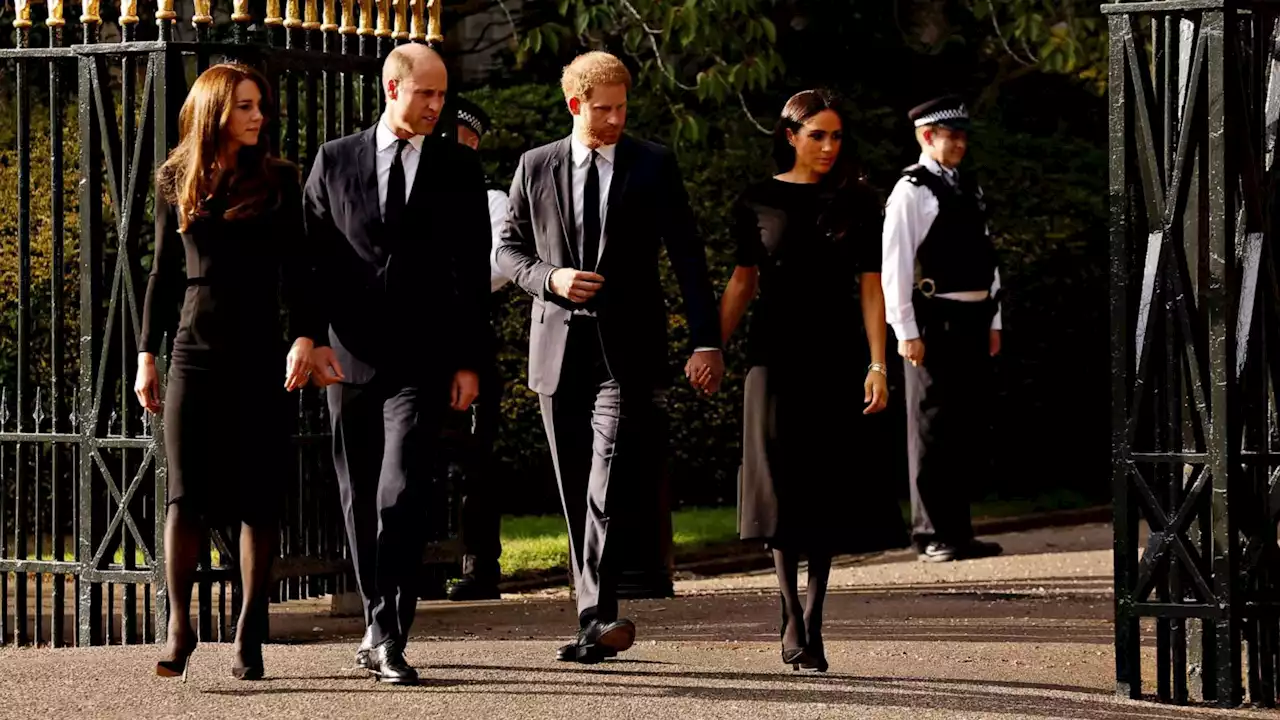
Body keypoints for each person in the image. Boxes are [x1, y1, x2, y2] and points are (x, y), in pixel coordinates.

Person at [495, 50, 723, 664]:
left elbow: (688, 255)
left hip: (626, 353)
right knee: (574, 487)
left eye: (623, 107)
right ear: (576, 106)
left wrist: (707, 339)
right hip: (556, 350)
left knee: (608, 478)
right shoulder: (535, 165)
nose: (617, 118)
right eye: (605, 109)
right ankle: (591, 622)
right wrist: (552, 278)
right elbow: (509, 251)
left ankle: (599, 613)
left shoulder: (653, 164)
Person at [302, 44, 493, 685]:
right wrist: (307, 338)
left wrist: (470, 361)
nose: (438, 106)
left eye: (443, 95)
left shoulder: (459, 169)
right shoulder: (334, 159)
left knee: (402, 488)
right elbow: (308, 260)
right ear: (392, 87)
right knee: (358, 495)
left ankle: (387, 632)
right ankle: (379, 623)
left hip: (425, 356)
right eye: (427, 94)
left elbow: (470, 271)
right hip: (347, 356)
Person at [135, 63, 321, 682]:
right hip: (193, 349)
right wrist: (146, 355)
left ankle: (247, 630)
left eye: (259, 106)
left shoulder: (280, 179)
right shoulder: (175, 178)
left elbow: (300, 268)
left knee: (258, 497)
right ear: (215, 109)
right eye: (244, 106)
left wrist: (303, 336)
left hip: (260, 351)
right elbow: (161, 273)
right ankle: (179, 624)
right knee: (184, 493)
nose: (257, 116)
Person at [716, 89, 906, 674]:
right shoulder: (756, 201)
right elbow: (743, 282)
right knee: (777, 487)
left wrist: (878, 363)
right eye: (817, 134)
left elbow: (872, 288)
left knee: (822, 489)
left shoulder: (857, 201)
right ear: (791, 135)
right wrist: (710, 348)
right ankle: (790, 613)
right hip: (771, 358)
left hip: (835, 357)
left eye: (837, 136)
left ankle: (812, 621)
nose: (828, 146)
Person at [881, 94, 1005, 564]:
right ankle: (930, 531)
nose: (959, 144)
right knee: (930, 425)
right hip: (933, 319)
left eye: (962, 136)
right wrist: (905, 330)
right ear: (926, 137)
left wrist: (994, 318)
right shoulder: (910, 191)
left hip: (973, 317)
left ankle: (958, 530)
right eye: (950, 136)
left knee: (963, 424)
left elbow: (988, 258)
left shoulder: (967, 188)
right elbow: (894, 266)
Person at [443, 93, 509, 602]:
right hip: (422, 338)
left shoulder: (491, 200)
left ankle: (480, 563)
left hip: (471, 336)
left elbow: (496, 267)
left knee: (476, 459)